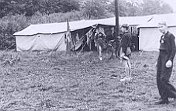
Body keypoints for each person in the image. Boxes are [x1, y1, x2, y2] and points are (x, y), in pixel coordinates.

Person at [155, 22, 176, 104]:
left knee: (164, 79)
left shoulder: (170, 36)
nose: (160, 28)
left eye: (162, 26)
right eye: (158, 27)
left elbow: (174, 49)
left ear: (166, 26)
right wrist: (158, 61)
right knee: (158, 79)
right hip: (161, 59)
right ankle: (164, 98)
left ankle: (174, 94)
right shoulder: (162, 36)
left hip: (167, 59)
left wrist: (170, 60)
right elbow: (161, 50)